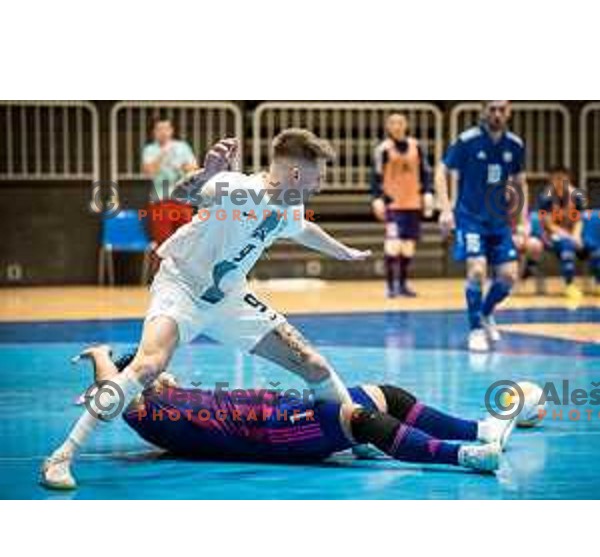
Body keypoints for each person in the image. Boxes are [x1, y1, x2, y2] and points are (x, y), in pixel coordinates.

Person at [42, 129, 371, 490]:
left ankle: (354, 437)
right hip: (182, 286)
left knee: (313, 364)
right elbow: (181, 194)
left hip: (229, 297)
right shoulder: (237, 188)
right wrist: (206, 173)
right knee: (149, 365)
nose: (321, 184)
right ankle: (61, 456)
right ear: (296, 174)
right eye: (319, 176)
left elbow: (302, 227)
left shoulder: (290, 201)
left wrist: (341, 251)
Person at [46, 345, 521, 491]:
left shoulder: (171, 395)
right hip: (271, 432)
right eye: (154, 372)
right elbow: (112, 389)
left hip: (282, 408)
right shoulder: (148, 413)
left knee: (387, 395)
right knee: (361, 419)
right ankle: (465, 456)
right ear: (140, 381)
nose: (166, 374)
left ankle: (481, 429)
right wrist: (101, 356)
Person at [436, 101, 529, 352]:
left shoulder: (515, 145)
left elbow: (520, 184)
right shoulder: (468, 141)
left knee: (509, 277)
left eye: (502, 109)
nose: (497, 113)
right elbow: (440, 171)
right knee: (477, 271)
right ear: (484, 111)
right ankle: (475, 328)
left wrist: (523, 222)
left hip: (499, 222)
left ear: (509, 112)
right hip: (470, 218)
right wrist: (445, 209)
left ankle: (486, 313)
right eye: (492, 108)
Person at [371, 113, 434, 297]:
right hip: (393, 205)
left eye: (400, 123)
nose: (397, 126)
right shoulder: (383, 149)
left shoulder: (416, 146)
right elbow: (375, 176)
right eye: (393, 123)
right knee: (393, 245)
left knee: (408, 247)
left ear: (406, 125)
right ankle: (390, 287)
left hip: (412, 203)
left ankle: (404, 285)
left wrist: (428, 192)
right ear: (388, 127)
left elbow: (425, 172)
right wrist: (377, 198)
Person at [536, 165, 599, 305]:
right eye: (556, 178)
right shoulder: (545, 197)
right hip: (552, 235)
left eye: (562, 178)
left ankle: (598, 283)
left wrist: (576, 236)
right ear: (550, 180)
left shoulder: (576, 195)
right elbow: (548, 225)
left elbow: (579, 220)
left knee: (594, 248)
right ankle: (569, 286)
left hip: (573, 234)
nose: (559, 181)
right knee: (567, 246)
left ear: (568, 178)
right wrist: (569, 237)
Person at [142, 119, 198, 246]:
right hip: (160, 201)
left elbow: (194, 169)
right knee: (163, 243)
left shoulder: (182, 147)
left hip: (182, 199)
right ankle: (163, 266)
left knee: (187, 240)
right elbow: (150, 172)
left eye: (166, 129)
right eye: (159, 129)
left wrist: (182, 167)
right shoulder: (150, 149)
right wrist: (163, 154)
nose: (163, 132)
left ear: (172, 131)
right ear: (154, 132)